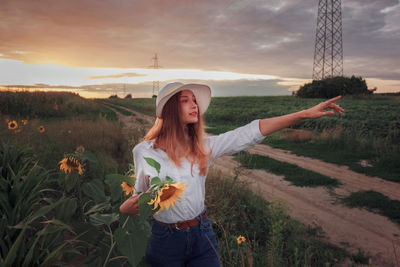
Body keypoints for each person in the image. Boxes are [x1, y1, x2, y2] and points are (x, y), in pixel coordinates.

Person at [120, 82, 344, 266]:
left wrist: (304, 114)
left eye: (194, 100)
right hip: (166, 240)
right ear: (168, 109)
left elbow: (248, 132)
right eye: (184, 101)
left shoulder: (203, 147)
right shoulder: (144, 152)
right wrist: (126, 208)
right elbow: (140, 197)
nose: (194, 105)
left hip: (202, 233)